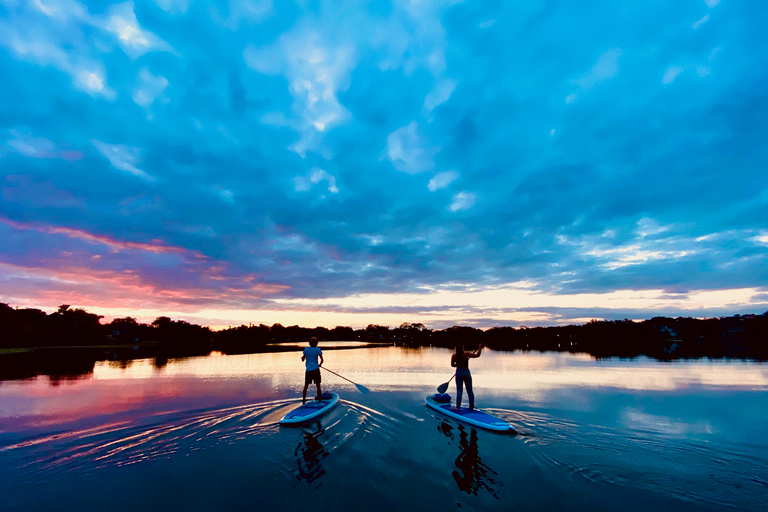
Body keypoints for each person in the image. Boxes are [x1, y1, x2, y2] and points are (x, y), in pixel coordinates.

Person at [451, 342, 484, 410]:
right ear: (462, 348)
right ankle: (471, 406)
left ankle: (457, 407)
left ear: (456, 348)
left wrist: (458, 365)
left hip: (459, 372)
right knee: (470, 390)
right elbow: (477, 355)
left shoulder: (454, 356)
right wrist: (480, 347)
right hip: (466, 372)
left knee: (459, 390)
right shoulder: (466, 354)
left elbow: (452, 365)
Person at [301, 337, 324, 403]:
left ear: (309, 343)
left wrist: (302, 358)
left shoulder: (306, 349)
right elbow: (322, 360)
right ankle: (320, 400)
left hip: (308, 370)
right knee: (318, 385)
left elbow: (303, 359)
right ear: (317, 343)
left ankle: (303, 400)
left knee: (306, 386)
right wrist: (319, 364)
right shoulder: (318, 349)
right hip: (316, 369)